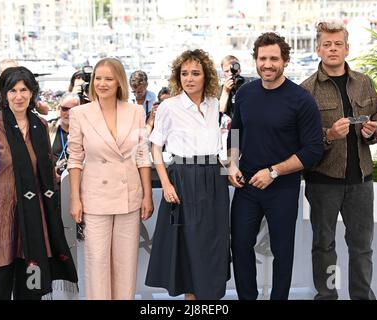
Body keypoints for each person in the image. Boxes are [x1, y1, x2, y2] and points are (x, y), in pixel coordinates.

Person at [227, 32, 324, 300]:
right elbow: (235, 132)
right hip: (246, 185)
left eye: (273, 59)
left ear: (285, 61)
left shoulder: (301, 99)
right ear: (255, 60)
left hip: (282, 186)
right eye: (262, 58)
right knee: (241, 245)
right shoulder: (245, 93)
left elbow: (313, 150)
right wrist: (232, 165)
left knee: (282, 250)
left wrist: (273, 172)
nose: (267, 64)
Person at [0, 66, 78, 300]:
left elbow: (46, 170)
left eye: (24, 89)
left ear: (32, 93)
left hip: (33, 217)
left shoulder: (40, 125)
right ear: (4, 94)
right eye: (12, 90)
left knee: (31, 285)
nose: (18, 96)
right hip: (1, 218)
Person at [301, 22, 377, 300]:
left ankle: (362, 296)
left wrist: (373, 131)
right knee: (324, 246)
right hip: (322, 182)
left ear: (347, 48)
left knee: (362, 247)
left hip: (361, 181)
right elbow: (302, 142)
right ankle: (328, 296)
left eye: (338, 44)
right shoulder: (306, 91)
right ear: (318, 49)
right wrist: (329, 135)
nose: (333, 49)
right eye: (327, 44)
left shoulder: (364, 83)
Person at [145, 49, 231, 300]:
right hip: (183, 178)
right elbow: (155, 146)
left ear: (206, 77)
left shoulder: (214, 104)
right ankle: (191, 300)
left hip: (214, 178)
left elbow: (222, 142)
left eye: (195, 73)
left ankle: (210, 299)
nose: (189, 78)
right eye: (184, 74)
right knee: (189, 244)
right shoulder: (169, 107)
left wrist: (231, 167)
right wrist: (166, 183)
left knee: (214, 242)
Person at [67, 57, 153, 300]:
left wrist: (147, 195)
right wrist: (75, 198)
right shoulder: (79, 113)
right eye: (98, 78)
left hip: (129, 195)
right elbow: (75, 159)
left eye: (108, 78)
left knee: (126, 263)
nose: (102, 83)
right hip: (95, 196)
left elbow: (142, 156)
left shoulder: (136, 111)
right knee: (97, 261)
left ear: (119, 82)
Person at [48, 92, 81, 182]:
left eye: (73, 109)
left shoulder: (85, 131)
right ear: (59, 109)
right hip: (52, 181)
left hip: (76, 180)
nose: (68, 113)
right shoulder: (49, 127)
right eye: (64, 109)